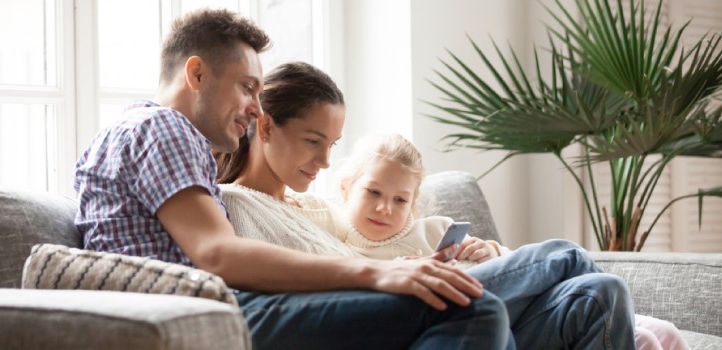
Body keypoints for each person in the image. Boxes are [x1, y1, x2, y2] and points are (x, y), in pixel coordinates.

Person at [75, 9, 512, 350]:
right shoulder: (164, 128)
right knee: (470, 308)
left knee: (475, 309)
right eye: (247, 88)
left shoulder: (127, 134)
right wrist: (378, 274)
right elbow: (218, 254)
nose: (255, 109)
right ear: (196, 74)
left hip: (213, 309)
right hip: (209, 315)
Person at [215, 63, 637, 348]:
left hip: (415, 307)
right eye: (313, 141)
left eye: (332, 146)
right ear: (265, 127)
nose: (325, 161)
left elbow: (369, 244)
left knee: (600, 293)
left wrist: (440, 259)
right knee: (563, 254)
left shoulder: (315, 208)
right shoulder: (237, 205)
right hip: (388, 317)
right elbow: (301, 300)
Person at [334, 133, 689, 350]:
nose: (384, 208)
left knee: (612, 292)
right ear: (346, 187)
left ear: (413, 204)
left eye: (400, 200)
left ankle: (614, 317)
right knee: (563, 253)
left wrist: (491, 251)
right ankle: (622, 319)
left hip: (502, 309)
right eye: (373, 192)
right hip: (443, 314)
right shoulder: (340, 242)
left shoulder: (433, 229)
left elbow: (516, 271)